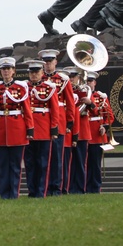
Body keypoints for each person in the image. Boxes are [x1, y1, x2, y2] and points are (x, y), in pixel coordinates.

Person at [0, 57, 33, 199]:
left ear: (13, 71)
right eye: (4, 69)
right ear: (0, 71)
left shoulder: (20, 87)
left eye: (9, 69)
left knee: (15, 165)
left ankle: (13, 193)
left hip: (17, 128)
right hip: (0, 128)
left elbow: (26, 109)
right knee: (1, 165)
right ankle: (3, 193)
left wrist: (30, 128)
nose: (6, 71)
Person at [40, 49, 75, 195]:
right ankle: (44, 186)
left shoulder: (62, 79)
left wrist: (69, 122)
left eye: (50, 61)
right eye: (46, 62)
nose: (48, 65)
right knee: (42, 157)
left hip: (58, 122)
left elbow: (70, 102)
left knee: (57, 157)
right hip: (41, 122)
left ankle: (56, 187)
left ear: (55, 62)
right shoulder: (38, 79)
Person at [24, 60, 60, 197]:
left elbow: (55, 110)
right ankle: (32, 190)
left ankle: (41, 190)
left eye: (37, 72)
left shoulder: (49, 88)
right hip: (28, 130)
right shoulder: (23, 87)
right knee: (29, 163)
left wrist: (54, 129)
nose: (34, 75)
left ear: (41, 73)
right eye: (31, 72)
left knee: (43, 163)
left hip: (44, 129)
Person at [67, 69, 94, 194]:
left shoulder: (84, 90)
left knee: (80, 161)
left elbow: (96, 111)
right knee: (68, 162)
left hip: (81, 131)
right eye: (69, 77)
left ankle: (79, 188)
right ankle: (68, 187)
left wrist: (90, 104)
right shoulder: (64, 90)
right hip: (67, 130)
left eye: (73, 76)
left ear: (78, 77)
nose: (71, 79)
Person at [86, 80, 114, 194]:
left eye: (90, 81)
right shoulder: (80, 95)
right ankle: (85, 187)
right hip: (84, 132)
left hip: (97, 134)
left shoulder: (101, 97)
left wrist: (105, 127)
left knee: (96, 164)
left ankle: (96, 188)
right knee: (84, 164)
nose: (88, 83)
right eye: (86, 81)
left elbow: (109, 115)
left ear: (94, 83)